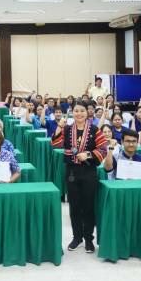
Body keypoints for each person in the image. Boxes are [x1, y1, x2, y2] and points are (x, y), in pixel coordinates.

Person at [50, 103, 107, 253]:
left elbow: (103, 149)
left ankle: (88, 239)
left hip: (89, 171)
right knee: (74, 206)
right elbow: (55, 144)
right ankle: (77, 237)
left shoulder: (94, 130)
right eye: (76, 111)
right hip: (71, 171)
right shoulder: (67, 129)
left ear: (87, 112)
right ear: (72, 113)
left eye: (82, 110)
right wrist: (59, 126)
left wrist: (88, 154)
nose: (79, 113)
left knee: (88, 206)